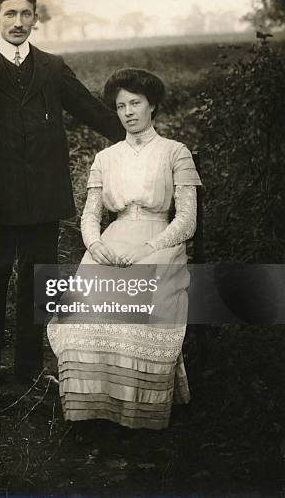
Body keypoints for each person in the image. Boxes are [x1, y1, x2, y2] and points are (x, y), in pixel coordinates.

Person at [0, 0, 123, 414]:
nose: (19, 22)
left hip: (43, 199)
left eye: (26, 14)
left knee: (39, 289)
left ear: (35, 19)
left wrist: (139, 135)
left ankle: (29, 373)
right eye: (10, 14)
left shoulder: (54, 69)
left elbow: (92, 112)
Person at [47, 68, 202, 430]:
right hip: (114, 240)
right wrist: (96, 244)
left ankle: (137, 412)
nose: (128, 112)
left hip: (160, 241)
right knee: (82, 308)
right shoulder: (106, 158)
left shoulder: (175, 152)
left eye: (136, 103)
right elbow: (90, 214)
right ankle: (93, 410)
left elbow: (188, 220)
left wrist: (150, 247)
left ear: (153, 107)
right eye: (120, 106)